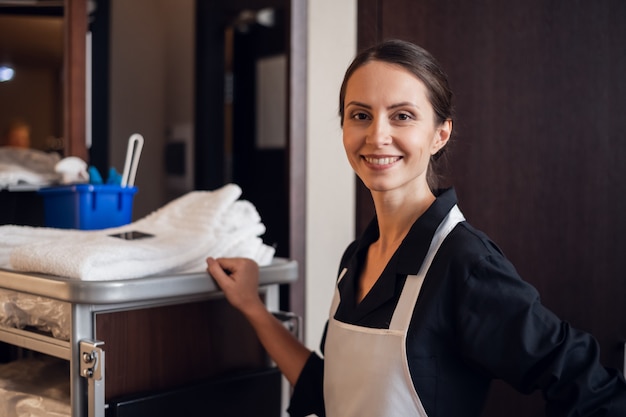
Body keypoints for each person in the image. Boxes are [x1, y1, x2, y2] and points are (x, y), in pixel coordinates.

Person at [206, 39, 626, 416]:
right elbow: (328, 393)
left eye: (402, 115)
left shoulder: (465, 263)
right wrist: (253, 307)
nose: (377, 135)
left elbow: (593, 392)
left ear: (440, 134)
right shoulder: (356, 257)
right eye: (360, 115)